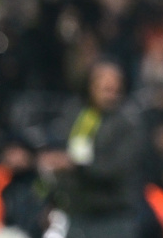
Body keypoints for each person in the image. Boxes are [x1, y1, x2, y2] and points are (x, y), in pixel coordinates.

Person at [41, 60, 143, 238]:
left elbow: (117, 167)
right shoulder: (76, 114)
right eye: (104, 86)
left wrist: (76, 164)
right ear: (90, 85)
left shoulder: (128, 122)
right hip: (77, 212)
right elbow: (61, 148)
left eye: (114, 88)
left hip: (113, 214)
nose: (110, 92)